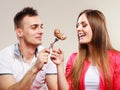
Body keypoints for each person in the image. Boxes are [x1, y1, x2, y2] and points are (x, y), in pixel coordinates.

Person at [51, 9, 120, 90]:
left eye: (84, 25)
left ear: (96, 28)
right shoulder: (74, 59)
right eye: (77, 26)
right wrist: (59, 65)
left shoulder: (117, 58)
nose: (78, 29)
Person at [0, 7, 59, 90]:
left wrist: (60, 65)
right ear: (19, 32)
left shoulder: (48, 55)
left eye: (41, 27)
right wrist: (35, 68)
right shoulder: (4, 56)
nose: (41, 31)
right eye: (34, 27)